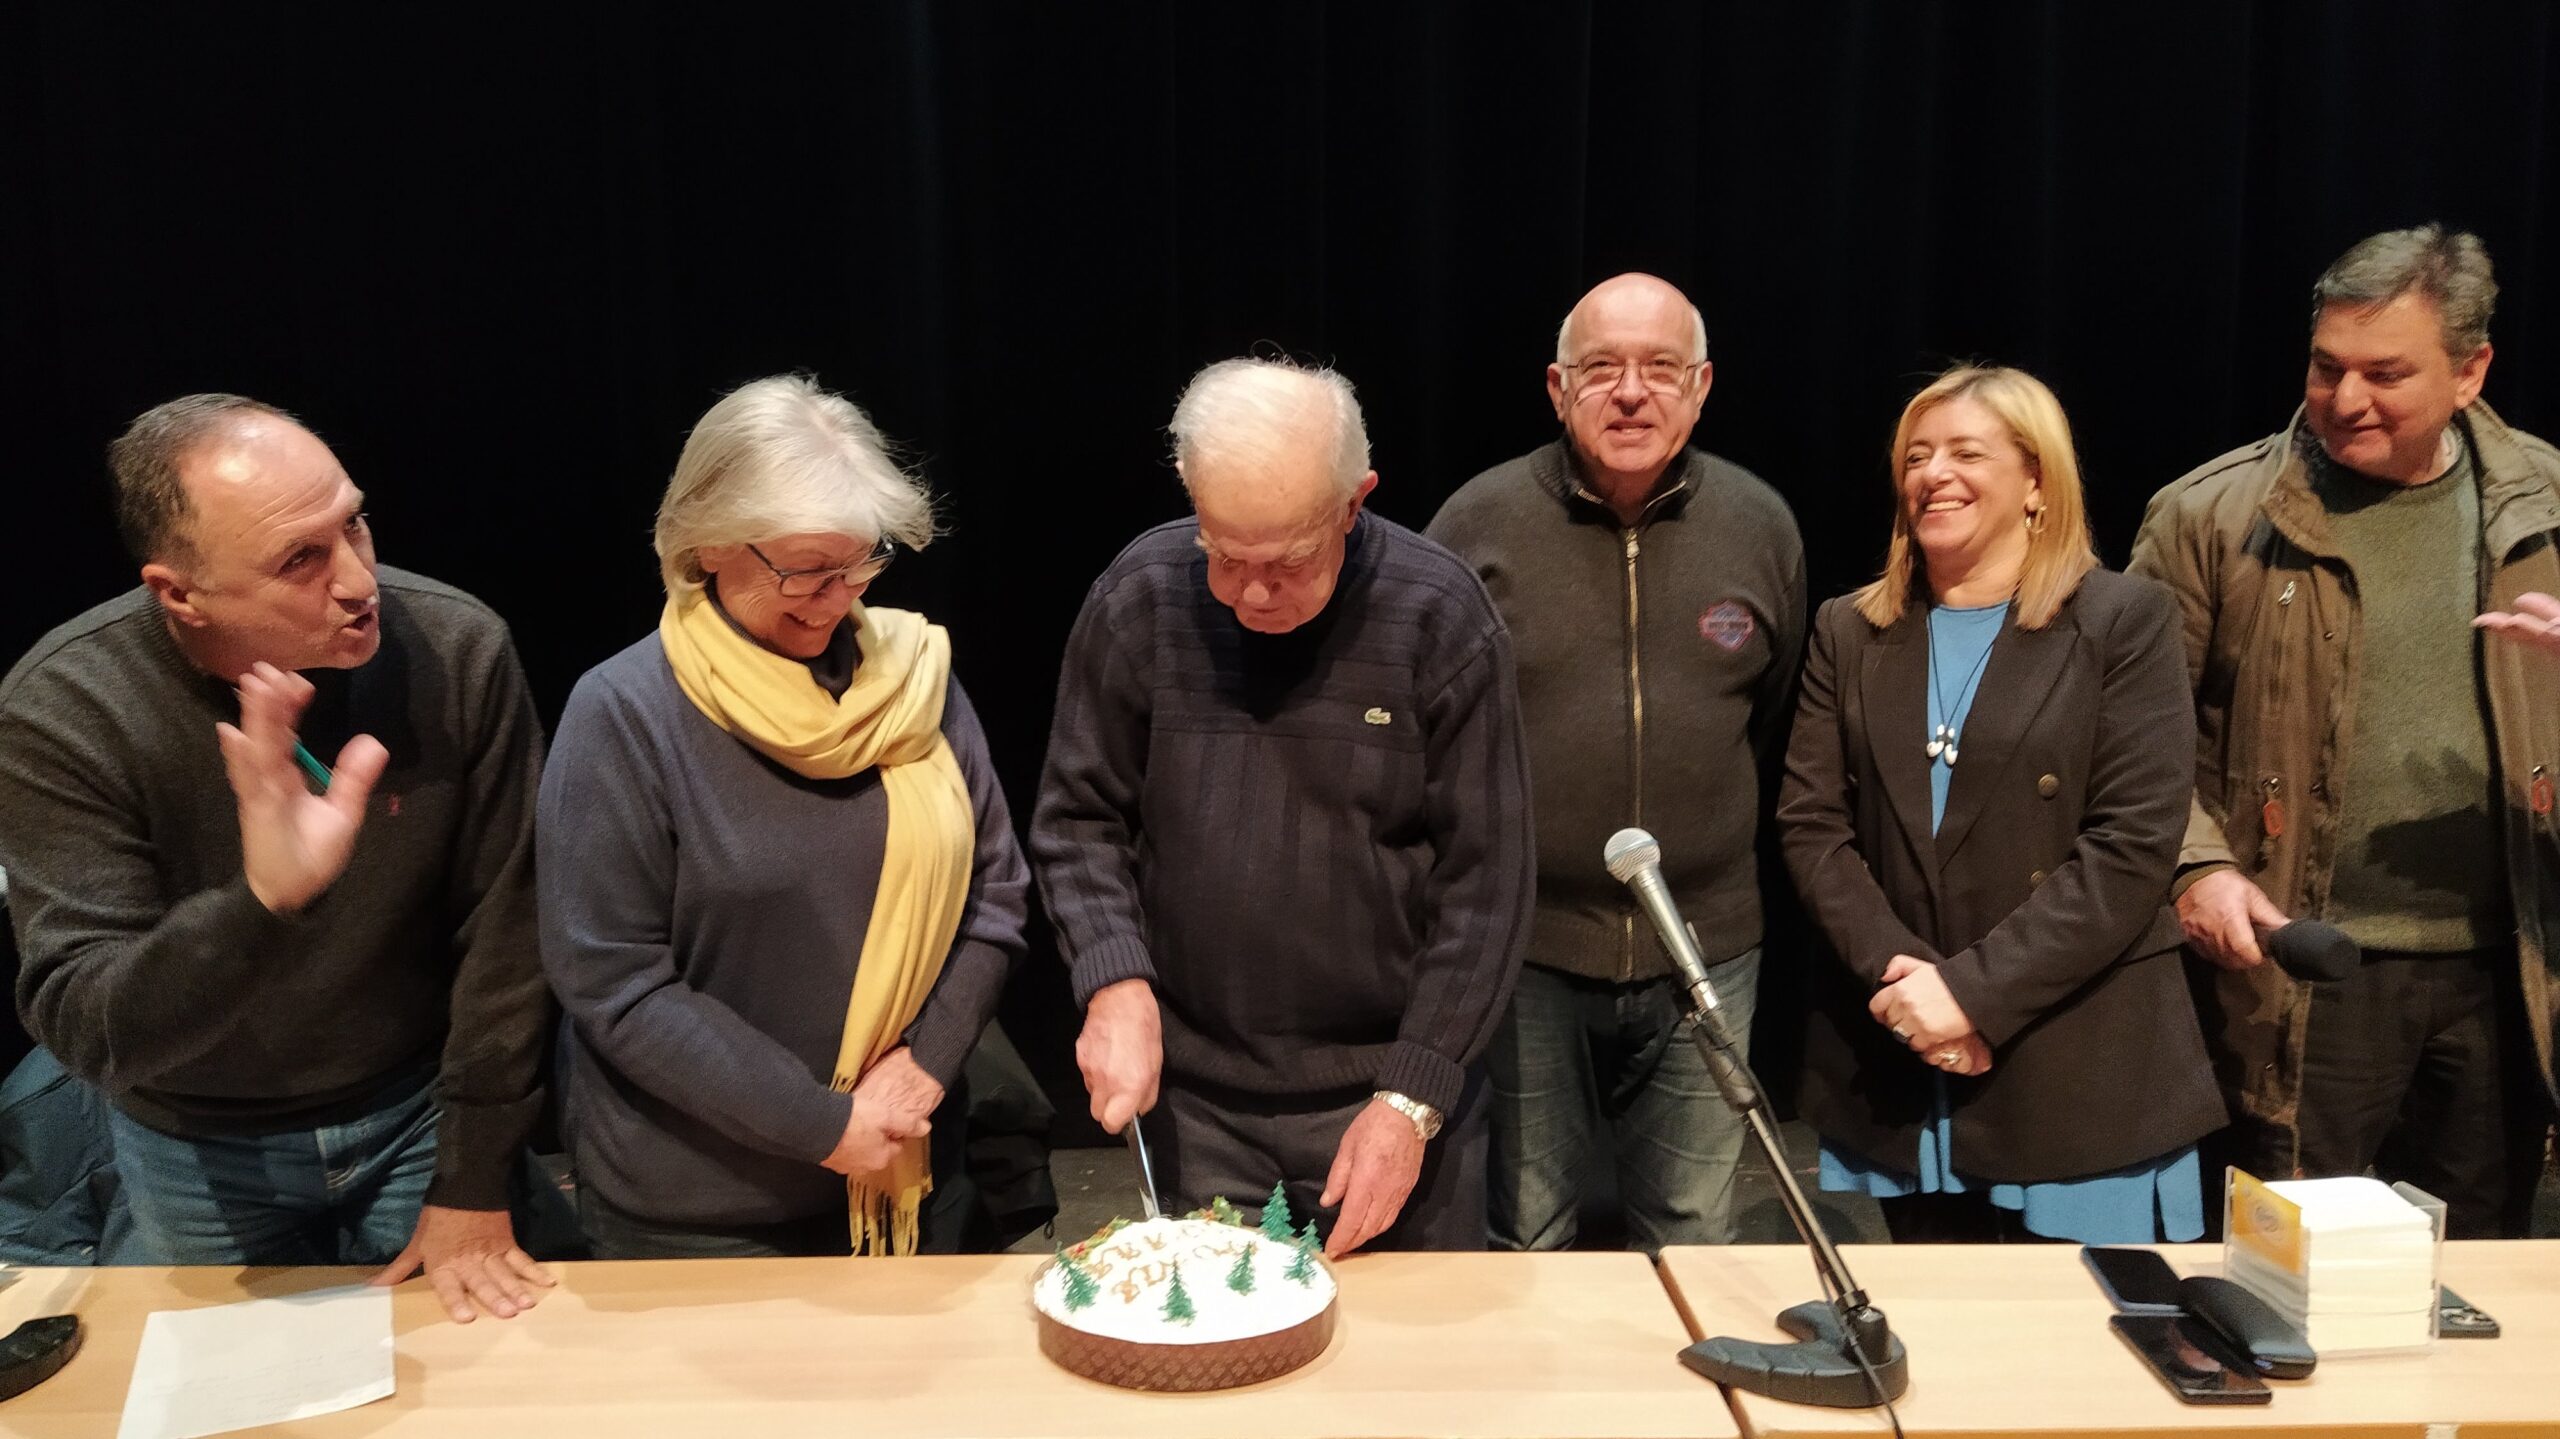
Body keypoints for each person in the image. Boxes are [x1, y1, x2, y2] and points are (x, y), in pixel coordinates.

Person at [0, 395, 552, 1320]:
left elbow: (507, 933)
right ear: (179, 592)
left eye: (354, 524)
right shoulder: (66, 710)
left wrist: (473, 1172)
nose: (359, 579)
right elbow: (91, 1029)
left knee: (466, 1368)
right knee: (227, 1383)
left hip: (418, 1114)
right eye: (301, 558)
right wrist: (261, 905)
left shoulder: (456, 648)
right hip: (195, 1142)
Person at [1034, 356, 1534, 1257]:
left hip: (1387, 1092)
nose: (1253, 594)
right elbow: (1078, 820)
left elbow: (1487, 885)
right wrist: (1113, 980)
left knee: (1396, 1343)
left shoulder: (1441, 614)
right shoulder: (1140, 597)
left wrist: (1412, 1097)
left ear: (1355, 502)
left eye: (1290, 562)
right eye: (1224, 557)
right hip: (1198, 1101)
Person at [2129, 224, 2559, 1237]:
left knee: (2471, 1275)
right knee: (2282, 1270)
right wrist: (2194, 869)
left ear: (2470, 373)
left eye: (2385, 373)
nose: (2345, 398)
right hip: (2300, 971)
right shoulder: (2213, 515)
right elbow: (2127, 739)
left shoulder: (2544, 503)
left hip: (2505, 975)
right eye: (2327, 366)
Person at [537, 375, 1027, 1258]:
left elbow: (995, 895)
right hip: (703, 1216)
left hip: (912, 1167)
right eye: (804, 569)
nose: (836, 596)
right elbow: (616, 981)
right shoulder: (623, 712)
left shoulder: (914, 679)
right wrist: (821, 1123)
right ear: (708, 541)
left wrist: (924, 1064)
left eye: (860, 563)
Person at [1781, 365, 2223, 1243]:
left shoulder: (2124, 619)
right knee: (1935, 1313)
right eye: (1917, 457)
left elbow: (2131, 847)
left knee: (2080, 1321)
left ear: (2036, 482)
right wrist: (1912, 989)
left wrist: (1971, 995)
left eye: (1965, 453)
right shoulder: (1849, 629)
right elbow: (1812, 825)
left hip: (2073, 1049)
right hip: (1906, 1055)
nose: (1933, 474)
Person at [1427, 273, 1804, 1251]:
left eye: (1660, 368)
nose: (1631, 392)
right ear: (1558, 389)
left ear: (1701, 386)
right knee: (1526, 1233)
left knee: (1693, 1233)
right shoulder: (1477, 523)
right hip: (1526, 954)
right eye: (1601, 368)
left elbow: (1769, 715)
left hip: (1708, 947)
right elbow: (1431, 733)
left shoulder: (1760, 524)